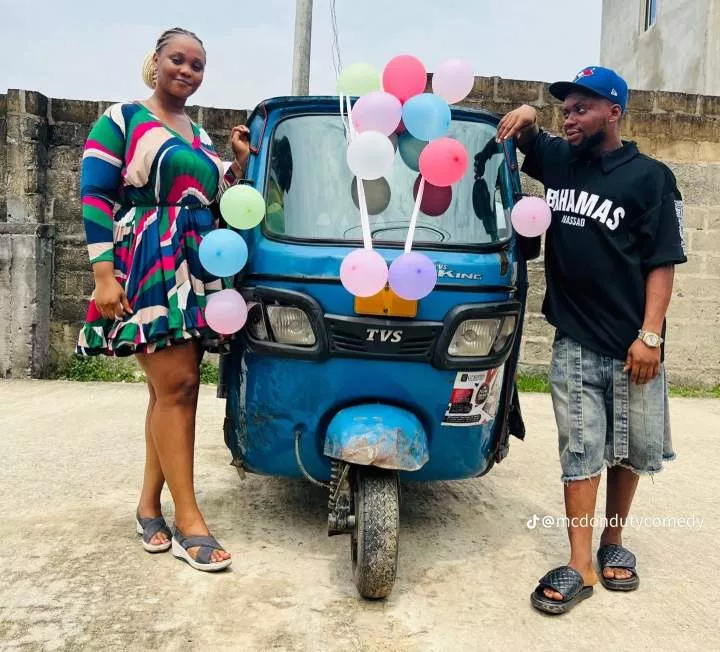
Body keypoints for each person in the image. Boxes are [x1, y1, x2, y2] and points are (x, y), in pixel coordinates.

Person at [496, 66, 687, 614]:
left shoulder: (651, 177)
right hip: (575, 339)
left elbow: (662, 262)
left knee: (627, 449)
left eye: (582, 109)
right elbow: (531, 135)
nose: (570, 118)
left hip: (634, 346)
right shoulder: (563, 161)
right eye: (565, 109)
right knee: (580, 450)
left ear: (614, 112)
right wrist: (531, 117)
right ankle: (581, 562)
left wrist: (649, 335)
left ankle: (613, 541)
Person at [77, 27, 250, 572]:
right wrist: (104, 275)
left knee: (171, 390)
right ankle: (189, 520)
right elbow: (96, 192)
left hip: (192, 265)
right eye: (178, 59)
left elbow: (220, 201)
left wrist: (239, 163)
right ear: (155, 61)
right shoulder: (122, 118)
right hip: (146, 262)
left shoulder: (199, 136)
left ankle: (149, 506)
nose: (188, 71)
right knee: (176, 387)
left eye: (198, 65)